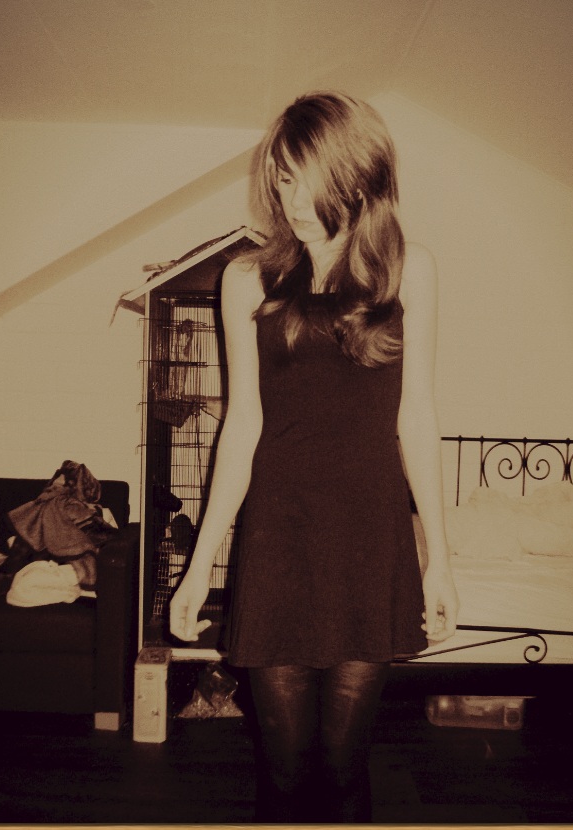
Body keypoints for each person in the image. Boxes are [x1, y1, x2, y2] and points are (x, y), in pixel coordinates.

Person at [169, 91, 459, 823]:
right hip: (279, 537)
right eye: (283, 180)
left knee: (343, 765)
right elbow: (243, 425)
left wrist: (440, 559)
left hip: (369, 537)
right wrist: (200, 567)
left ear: (359, 178)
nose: (292, 202)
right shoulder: (246, 279)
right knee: (285, 770)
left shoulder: (410, 271)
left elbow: (417, 416)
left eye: (311, 181)